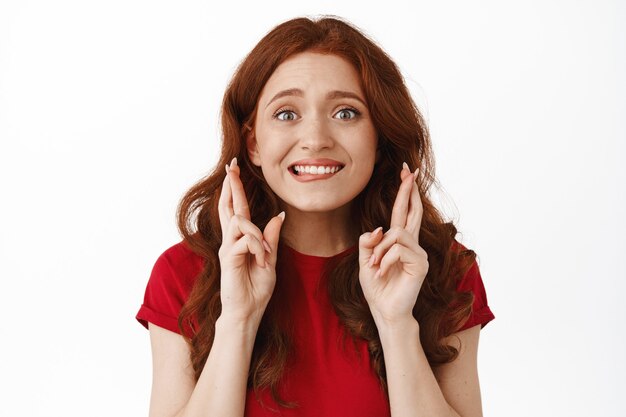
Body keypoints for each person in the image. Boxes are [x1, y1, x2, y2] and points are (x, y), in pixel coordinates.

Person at [136, 16, 494, 417]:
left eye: (346, 113)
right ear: (253, 143)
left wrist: (396, 324)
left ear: (380, 138)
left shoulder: (442, 269)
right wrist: (239, 318)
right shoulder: (183, 274)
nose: (316, 139)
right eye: (287, 114)